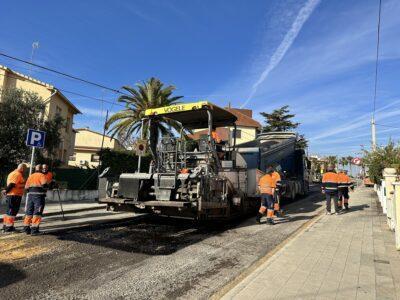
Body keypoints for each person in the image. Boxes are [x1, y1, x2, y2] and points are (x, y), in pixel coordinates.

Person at [1, 163, 27, 233]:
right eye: (25, 169)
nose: (25, 171)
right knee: (12, 211)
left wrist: (6, 191)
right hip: (14, 195)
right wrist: (6, 190)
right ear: (22, 168)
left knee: (9, 211)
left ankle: (6, 226)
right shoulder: (17, 174)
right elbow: (12, 184)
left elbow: (13, 184)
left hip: (13, 195)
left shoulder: (15, 173)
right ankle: (9, 227)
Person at [23, 165, 48, 235]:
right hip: (39, 197)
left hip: (30, 196)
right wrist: (49, 187)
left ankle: (26, 228)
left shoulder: (31, 176)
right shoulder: (42, 175)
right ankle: (34, 230)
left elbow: (26, 188)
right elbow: (44, 186)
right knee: (37, 212)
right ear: (41, 169)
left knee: (29, 212)